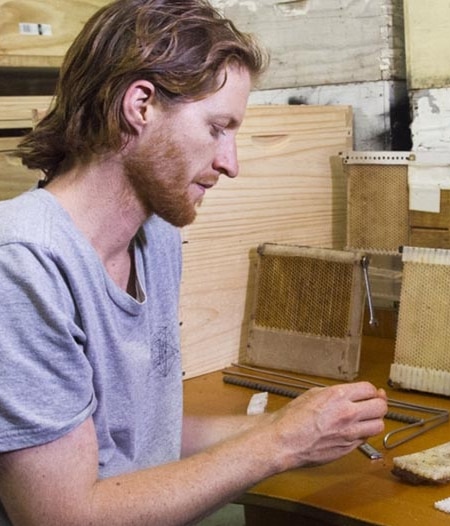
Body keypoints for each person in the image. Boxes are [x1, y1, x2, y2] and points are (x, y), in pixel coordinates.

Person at [0, 1, 388, 524]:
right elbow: (63, 516)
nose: (230, 163)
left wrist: (300, 424)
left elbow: (139, 438)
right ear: (140, 106)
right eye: (216, 128)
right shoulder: (24, 266)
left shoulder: (155, 234)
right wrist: (279, 444)